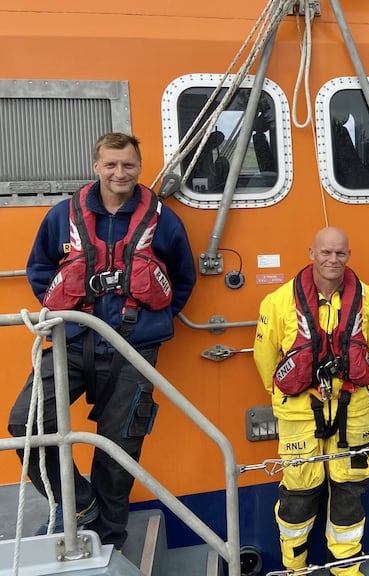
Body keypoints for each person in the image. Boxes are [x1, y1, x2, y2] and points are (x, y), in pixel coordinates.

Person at [8, 132, 196, 549]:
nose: (119, 173)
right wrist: (67, 312)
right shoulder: (63, 216)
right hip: (73, 341)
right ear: (96, 167)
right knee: (26, 424)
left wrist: (153, 321)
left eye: (128, 165)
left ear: (139, 167)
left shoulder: (163, 220)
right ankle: (81, 508)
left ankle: (109, 538)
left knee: (119, 450)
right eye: (111, 165)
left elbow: (183, 278)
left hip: (135, 349)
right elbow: (39, 269)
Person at [253, 227, 369, 576]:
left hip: (353, 407)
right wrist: (292, 392)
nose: (333, 259)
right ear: (311, 252)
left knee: (350, 488)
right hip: (299, 410)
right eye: (326, 252)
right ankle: (293, 567)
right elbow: (265, 358)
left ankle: (346, 566)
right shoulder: (278, 301)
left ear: (348, 255)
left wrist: (349, 387)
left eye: (340, 253)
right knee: (299, 489)